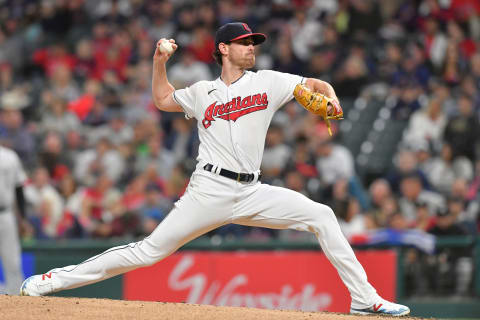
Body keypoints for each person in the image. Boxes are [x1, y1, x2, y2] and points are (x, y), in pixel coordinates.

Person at [21, 22, 409, 316]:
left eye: (253, 43)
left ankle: (365, 300)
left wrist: (334, 100)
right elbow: (161, 99)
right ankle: (49, 281)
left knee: (322, 215)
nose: (251, 48)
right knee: (146, 252)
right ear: (223, 48)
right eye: (244, 43)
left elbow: (318, 84)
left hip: (252, 191)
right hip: (208, 189)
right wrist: (160, 62)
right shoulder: (201, 92)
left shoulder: (270, 82)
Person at [0, 144, 27, 294]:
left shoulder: (10, 157)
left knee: (12, 261)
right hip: (6, 215)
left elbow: (19, 188)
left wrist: (23, 218)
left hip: (6, 213)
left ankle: (17, 302)